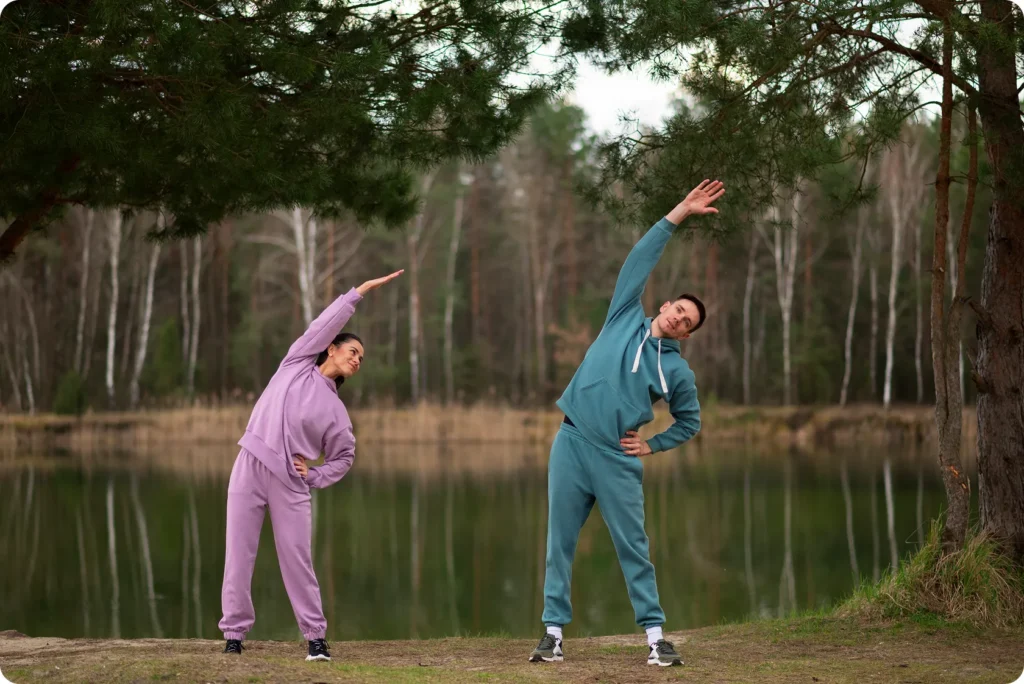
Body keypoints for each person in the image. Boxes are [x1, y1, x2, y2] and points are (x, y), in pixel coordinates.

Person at [529, 180, 723, 668]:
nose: (680, 320)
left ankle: (657, 639)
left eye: (689, 322)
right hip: (571, 442)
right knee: (560, 542)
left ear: (689, 335)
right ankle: (552, 635)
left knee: (634, 549)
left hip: (617, 457)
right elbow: (639, 257)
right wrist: (679, 210)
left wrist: (652, 446)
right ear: (664, 306)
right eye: (679, 310)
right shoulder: (623, 316)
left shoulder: (676, 370)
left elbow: (690, 422)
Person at [218, 269, 403, 661]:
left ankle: (315, 639)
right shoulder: (296, 363)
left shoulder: (336, 411)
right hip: (249, 464)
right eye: (353, 351)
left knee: (298, 561)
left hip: (291, 483)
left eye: (362, 359)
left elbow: (345, 457)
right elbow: (323, 323)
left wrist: (315, 474)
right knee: (238, 554)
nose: (358, 360)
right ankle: (234, 635)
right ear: (332, 348)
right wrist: (356, 294)